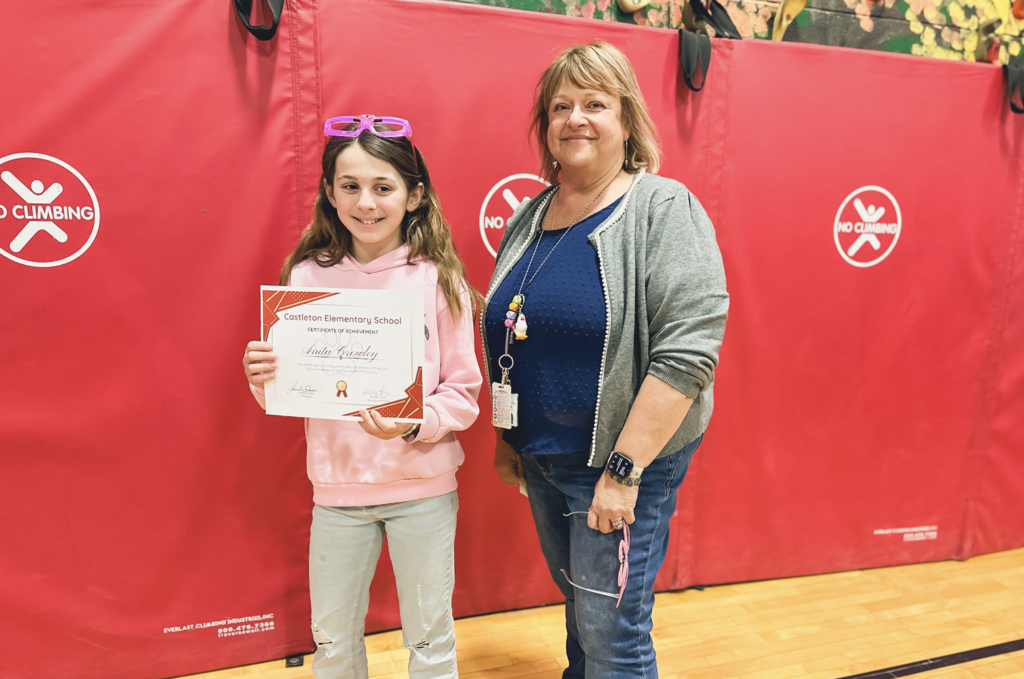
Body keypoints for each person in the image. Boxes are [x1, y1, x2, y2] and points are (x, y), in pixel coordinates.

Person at [482, 43, 728, 679]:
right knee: (581, 617)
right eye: (561, 106)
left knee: (612, 635)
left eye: (595, 103)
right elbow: (514, 334)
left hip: (620, 465)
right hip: (543, 456)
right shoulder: (531, 216)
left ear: (628, 120)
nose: (576, 119)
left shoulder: (664, 209)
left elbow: (688, 351)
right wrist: (509, 438)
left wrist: (623, 471)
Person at [243, 115, 482, 679]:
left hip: (421, 490)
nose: (366, 202)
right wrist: (264, 378)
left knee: (429, 641)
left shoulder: (438, 279)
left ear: (414, 195)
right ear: (330, 193)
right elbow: (293, 390)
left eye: (383, 187)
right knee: (332, 642)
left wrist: (411, 423)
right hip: (337, 493)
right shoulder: (305, 276)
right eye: (350, 186)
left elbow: (465, 395)